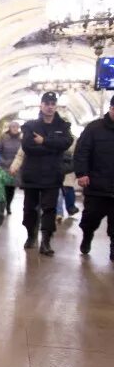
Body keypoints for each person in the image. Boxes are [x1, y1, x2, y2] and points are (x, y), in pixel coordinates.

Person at [20, 91, 73, 256]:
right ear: (41, 105)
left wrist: (44, 141)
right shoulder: (30, 126)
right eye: (47, 104)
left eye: (52, 104)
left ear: (55, 106)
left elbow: (66, 143)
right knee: (29, 209)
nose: (50, 107)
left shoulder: (63, 126)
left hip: (52, 175)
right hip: (32, 175)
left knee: (50, 209)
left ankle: (46, 241)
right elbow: (28, 146)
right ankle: (31, 235)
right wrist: (53, 148)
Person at [74, 94, 114, 260]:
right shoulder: (93, 128)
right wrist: (82, 173)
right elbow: (82, 152)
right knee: (91, 218)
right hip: (97, 185)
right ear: (111, 108)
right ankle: (87, 235)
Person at [0, 120, 22, 214]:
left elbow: (22, 153)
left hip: (15, 168)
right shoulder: (3, 139)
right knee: (3, 188)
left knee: (11, 189)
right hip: (3, 166)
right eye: (13, 127)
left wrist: (15, 163)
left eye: (16, 127)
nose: (15, 128)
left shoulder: (21, 140)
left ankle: (8, 205)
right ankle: (2, 206)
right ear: (9, 128)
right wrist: (3, 161)